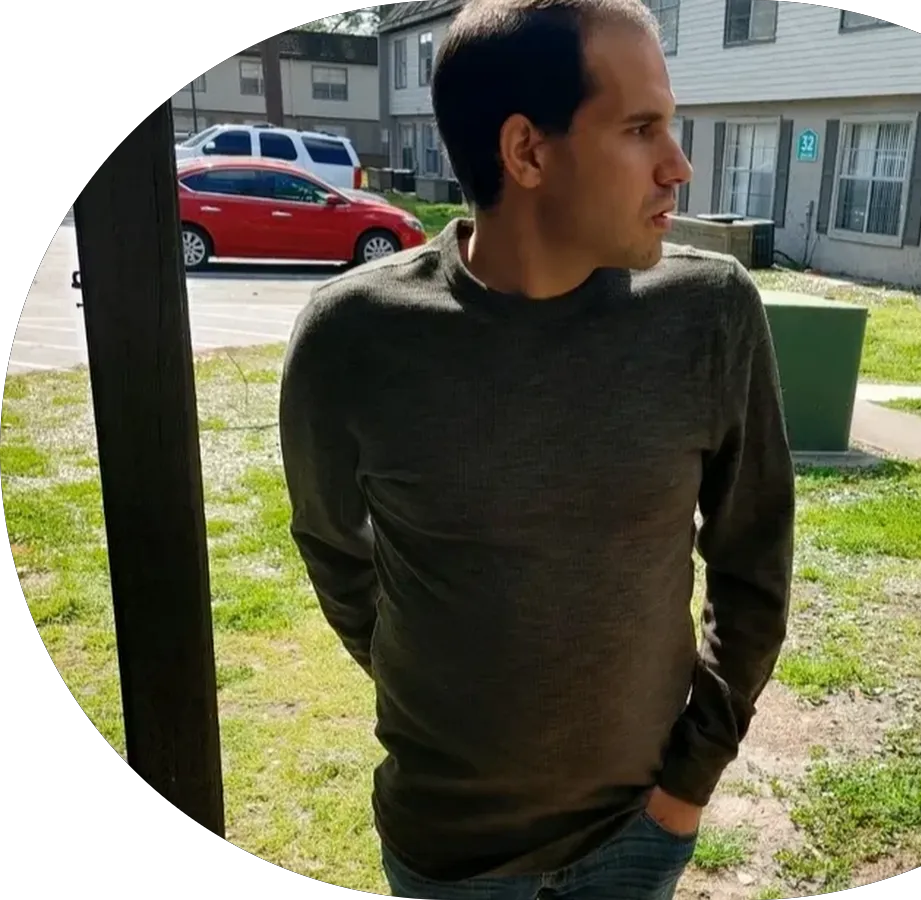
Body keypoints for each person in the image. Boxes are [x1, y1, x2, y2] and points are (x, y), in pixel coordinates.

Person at [278, 0, 796, 897]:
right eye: (640, 128)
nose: (678, 165)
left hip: (637, 837)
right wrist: (422, 687)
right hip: (447, 851)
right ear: (526, 152)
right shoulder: (353, 335)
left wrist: (687, 786)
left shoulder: (710, 314)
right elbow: (332, 543)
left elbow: (754, 562)